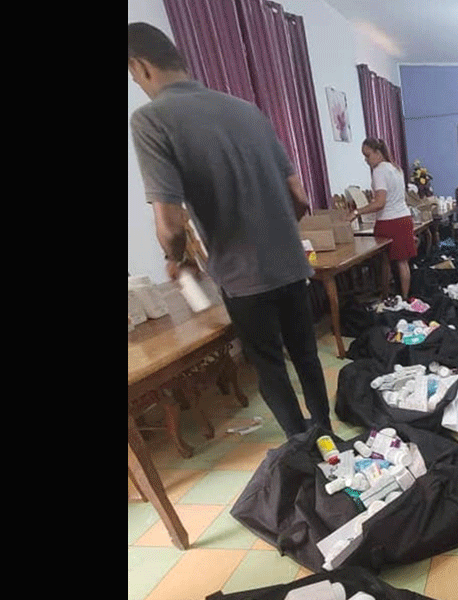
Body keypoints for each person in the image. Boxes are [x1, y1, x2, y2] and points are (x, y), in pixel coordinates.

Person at [128, 23, 331, 438]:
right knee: (306, 356)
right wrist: (276, 231)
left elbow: (169, 222)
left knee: (270, 365)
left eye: (132, 76)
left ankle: (303, 446)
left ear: (140, 66)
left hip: (244, 275)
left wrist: (175, 258)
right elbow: (300, 196)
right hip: (292, 263)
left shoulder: (152, 120)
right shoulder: (247, 109)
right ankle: (327, 434)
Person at [349, 138, 417, 298]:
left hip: (389, 221)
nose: (366, 160)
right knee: (403, 263)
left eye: (367, 155)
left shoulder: (379, 170)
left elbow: (379, 203)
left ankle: (386, 297)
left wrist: (356, 212)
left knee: (385, 262)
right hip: (404, 218)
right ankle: (405, 299)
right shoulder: (396, 168)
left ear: (378, 153)